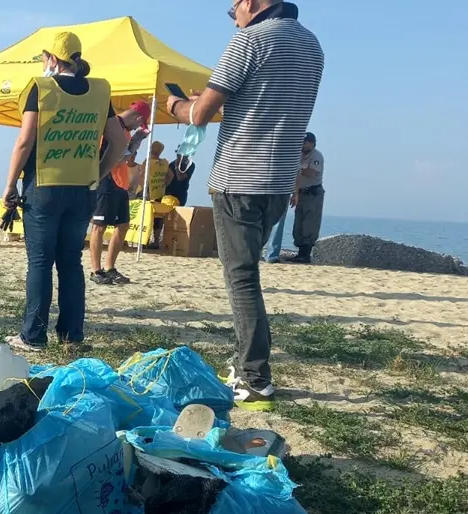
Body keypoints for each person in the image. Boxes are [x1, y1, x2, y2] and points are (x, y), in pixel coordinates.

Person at [167, 0, 324, 411]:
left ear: (250, 3)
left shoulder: (249, 40)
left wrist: (176, 106)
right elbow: (270, 105)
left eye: (232, 8)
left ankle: (255, 378)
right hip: (277, 182)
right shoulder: (312, 45)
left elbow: (200, 114)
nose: (233, 15)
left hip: (240, 178)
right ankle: (244, 364)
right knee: (248, 274)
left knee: (241, 279)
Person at [1, 31, 129, 352]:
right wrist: (96, 172)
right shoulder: (100, 91)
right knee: (71, 262)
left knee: (41, 262)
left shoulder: (41, 89)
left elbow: (24, 141)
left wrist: (9, 184)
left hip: (43, 187)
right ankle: (71, 336)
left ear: (53, 60)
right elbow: (120, 142)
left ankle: (33, 336)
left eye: (45, 58)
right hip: (82, 190)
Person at [90, 123, 150, 286]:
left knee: (123, 225)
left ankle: (110, 267)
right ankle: (96, 270)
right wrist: (136, 141)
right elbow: (116, 159)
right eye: (140, 120)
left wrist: (136, 141)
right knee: (99, 226)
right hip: (106, 181)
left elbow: (127, 159)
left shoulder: (125, 133)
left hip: (121, 184)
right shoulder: (110, 131)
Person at [287, 132, 324, 263]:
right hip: (300, 192)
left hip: (313, 193)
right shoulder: (298, 155)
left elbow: (311, 173)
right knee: (299, 224)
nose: (303, 144)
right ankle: (300, 253)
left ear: (312, 143)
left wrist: (296, 168)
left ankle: (305, 254)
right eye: (302, 141)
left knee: (310, 223)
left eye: (306, 142)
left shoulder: (316, 156)